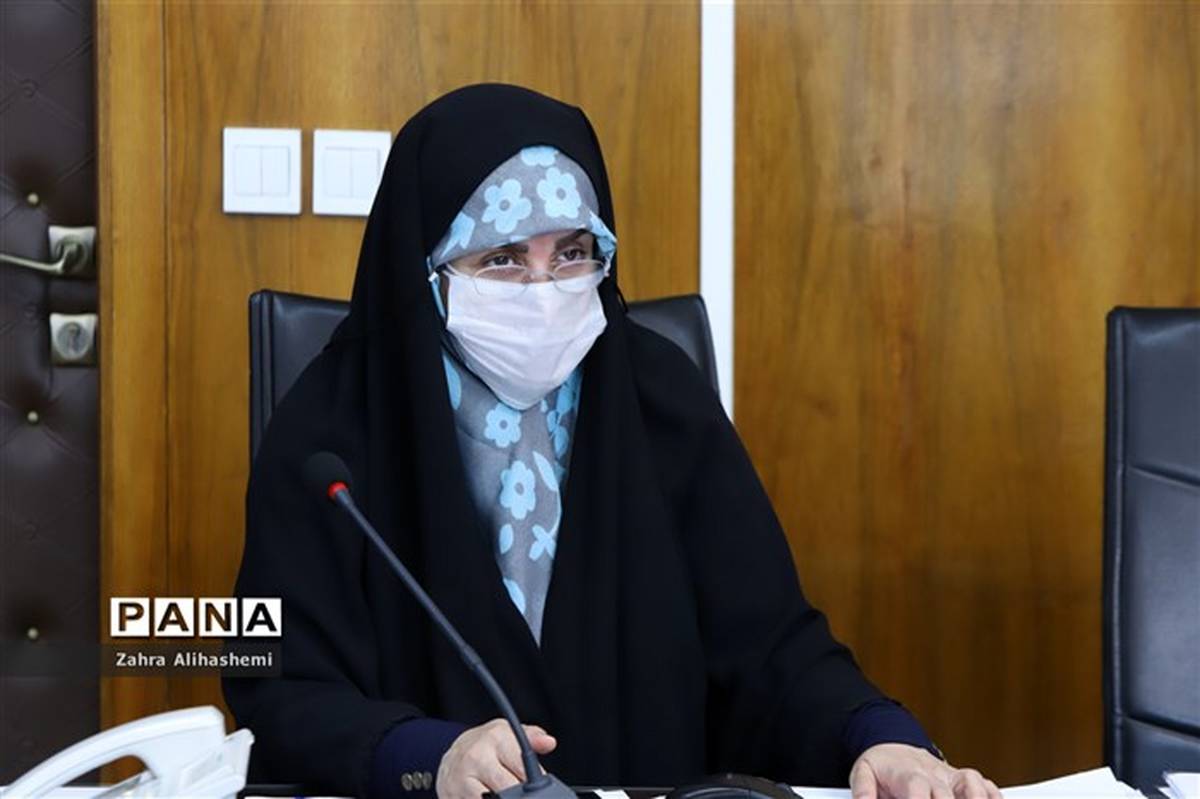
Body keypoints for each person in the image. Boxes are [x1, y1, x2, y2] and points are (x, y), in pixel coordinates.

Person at [223, 84, 1000, 799]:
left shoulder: (659, 399)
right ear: (425, 270)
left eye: (572, 253)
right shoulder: (329, 431)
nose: (544, 292)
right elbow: (275, 684)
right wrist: (430, 754)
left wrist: (878, 736)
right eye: (502, 258)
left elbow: (770, 650)